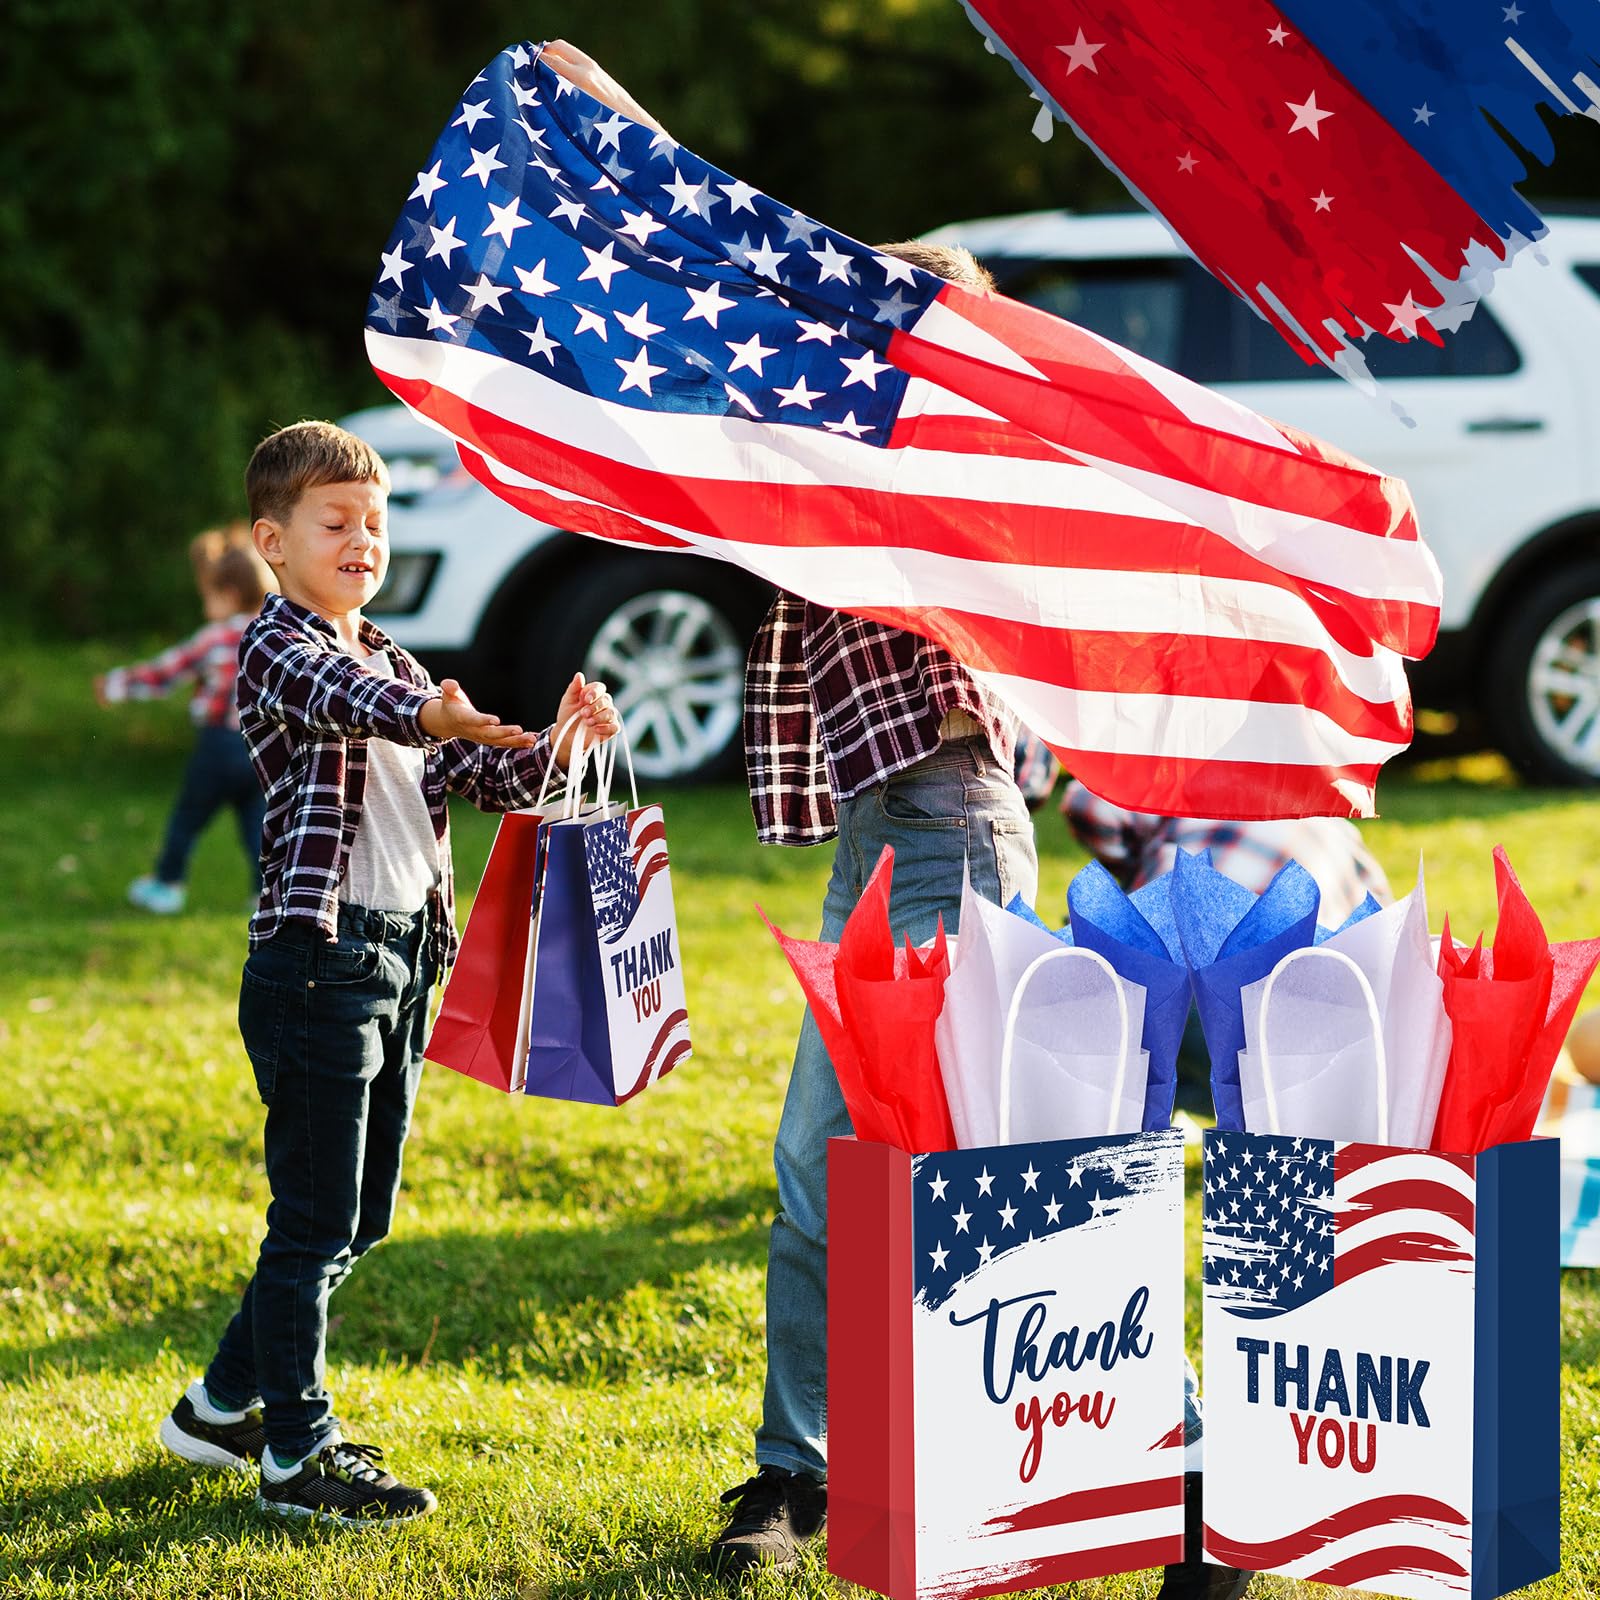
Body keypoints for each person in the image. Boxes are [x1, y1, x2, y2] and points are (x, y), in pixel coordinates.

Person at [542, 43, 1248, 1595]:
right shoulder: (836, 462)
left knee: (1006, 1161)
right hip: (884, 840)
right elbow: (719, 287)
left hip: (950, 829)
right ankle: (797, 1474)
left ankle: (1188, 1486)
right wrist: (619, 132)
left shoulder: (954, 479)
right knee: (825, 1172)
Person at [156, 420, 620, 1525]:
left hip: (403, 961)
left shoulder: (396, 661)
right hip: (321, 960)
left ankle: (220, 1407)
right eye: (336, 522)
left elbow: (467, 770)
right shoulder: (279, 646)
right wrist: (422, 709)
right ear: (274, 540)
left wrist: (555, 746)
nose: (363, 538)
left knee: (355, 1220)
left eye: (375, 521)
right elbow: (344, 699)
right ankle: (293, 1450)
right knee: (312, 1217)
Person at [95, 524, 275, 912]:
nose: (204, 605)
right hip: (260, 750)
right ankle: (266, 895)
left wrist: (115, 685)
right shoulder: (275, 638)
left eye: (207, 596)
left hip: (217, 747)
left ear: (227, 595)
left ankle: (167, 885)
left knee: (188, 817)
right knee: (257, 824)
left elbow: (165, 672)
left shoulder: (215, 638)